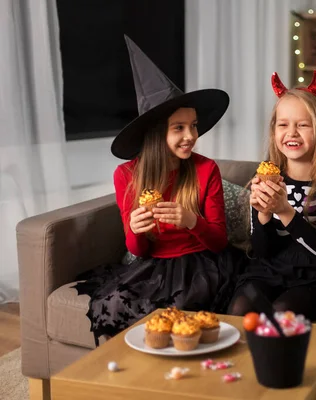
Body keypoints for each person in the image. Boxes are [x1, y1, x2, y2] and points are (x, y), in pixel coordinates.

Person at [73, 36, 231, 345]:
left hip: (200, 263)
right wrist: (134, 230)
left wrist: (191, 221)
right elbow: (139, 250)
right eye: (179, 128)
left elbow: (218, 242)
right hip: (153, 266)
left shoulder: (206, 169)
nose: (191, 136)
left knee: (183, 311)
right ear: (157, 135)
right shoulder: (126, 175)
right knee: (115, 302)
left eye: (194, 125)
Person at [227, 71, 316, 321]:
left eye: (303, 125)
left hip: (312, 279)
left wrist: (285, 211)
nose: (291, 132)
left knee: (283, 313)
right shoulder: (265, 179)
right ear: (274, 131)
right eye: (283, 124)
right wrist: (262, 214)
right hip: (267, 272)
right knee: (240, 309)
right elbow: (261, 251)